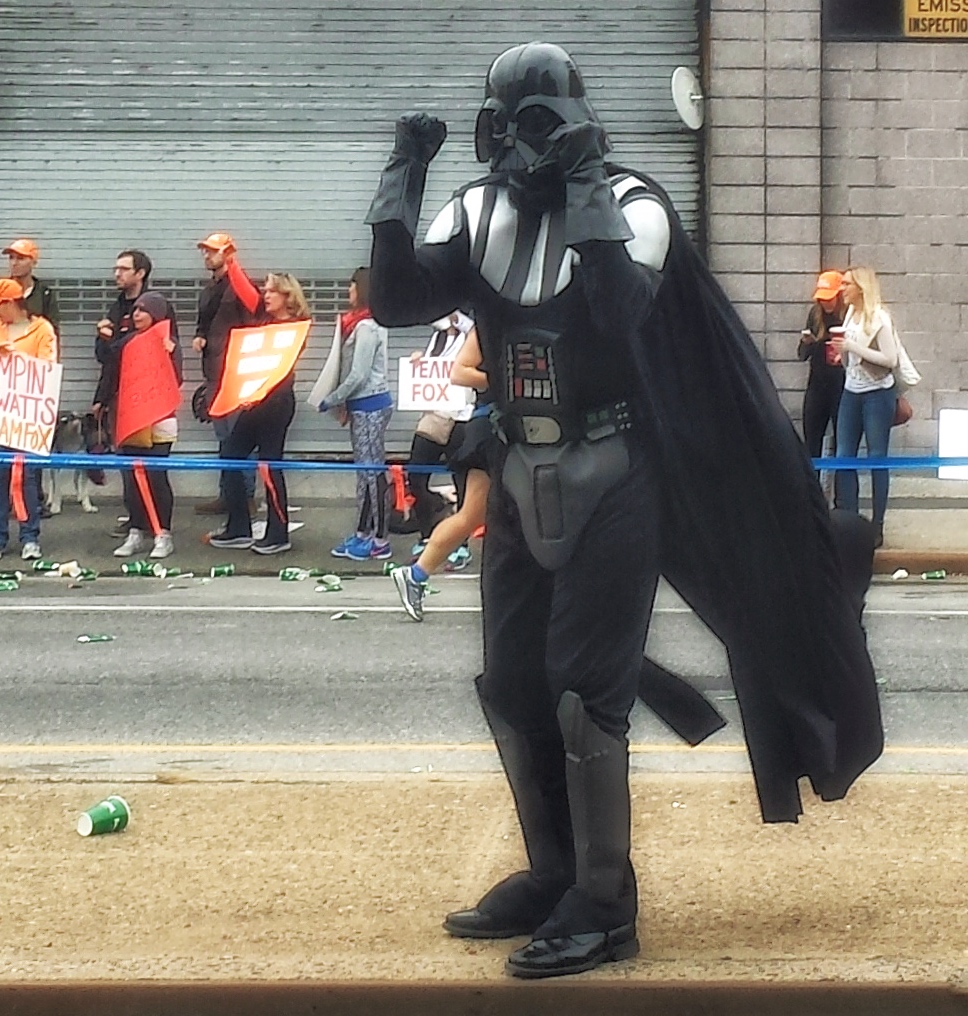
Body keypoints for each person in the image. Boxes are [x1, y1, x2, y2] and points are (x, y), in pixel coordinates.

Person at [367, 43, 880, 979]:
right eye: (509, 119)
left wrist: (588, 176)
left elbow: (614, 310)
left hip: (616, 468)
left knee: (579, 691)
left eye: (540, 118)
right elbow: (397, 296)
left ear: (573, 116)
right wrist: (405, 172)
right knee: (511, 682)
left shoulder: (635, 205)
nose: (522, 143)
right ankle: (554, 872)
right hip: (521, 464)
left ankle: (604, 902)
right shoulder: (476, 210)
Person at [207, 272, 307, 556]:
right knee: (231, 456)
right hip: (255, 402)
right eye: (265, 290)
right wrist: (230, 264)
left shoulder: (294, 327)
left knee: (269, 466)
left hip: (276, 403)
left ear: (287, 296)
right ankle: (239, 527)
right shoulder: (264, 321)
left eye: (272, 291)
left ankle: (278, 534)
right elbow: (246, 294)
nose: (266, 294)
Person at [0, 277, 59, 561]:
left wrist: (19, 362)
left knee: (27, 476)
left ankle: (30, 537)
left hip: (28, 415)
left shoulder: (42, 329)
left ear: (12, 303)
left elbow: (48, 371)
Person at [318, 267, 393, 561]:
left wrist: (333, 398)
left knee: (373, 473)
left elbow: (359, 374)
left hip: (371, 404)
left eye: (351, 288)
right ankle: (364, 531)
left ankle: (381, 538)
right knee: (364, 472)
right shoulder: (359, 324)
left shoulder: (367, 327)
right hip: (362, 406)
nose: (348, 294)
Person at [103, 290, 183, 559]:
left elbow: (176, 378)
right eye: (135, 310)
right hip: (133, 419)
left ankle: (163, 534)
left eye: (143, 310)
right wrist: (103, 339)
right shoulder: (128, 341)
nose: (136, 315)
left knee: (156, 477)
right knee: (132, 479)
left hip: (159, 420)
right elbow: (109, 360)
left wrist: (168, 355)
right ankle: (136, 531)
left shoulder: (168, 342)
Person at [191, 232, 263, 515]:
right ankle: (228, 495)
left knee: (238, 437)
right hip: (214, 373)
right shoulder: (210, 289)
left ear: (228, 254)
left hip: (235, 374)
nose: (207, 256)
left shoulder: (241, 287)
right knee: (224, 437)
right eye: (205, 252)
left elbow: (255, 318)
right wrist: (199, 336)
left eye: (212, 251)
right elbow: (205, 322)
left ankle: (244, 497)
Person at [832, 267, 901, 547]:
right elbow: (851, 350)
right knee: (843, 456)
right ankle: (848, 521)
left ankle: (878, 526)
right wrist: (842, 355)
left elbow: (890, 359)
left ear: (860, 288)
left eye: (846, 284)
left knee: (876, 458)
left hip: (877, 395)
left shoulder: (879, 318)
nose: (842, 289)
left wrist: (853, 347)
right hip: (852, 390)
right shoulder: (849, 314)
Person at [391, 311, 474, 542]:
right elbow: (429, 370)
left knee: (462, 479)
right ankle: (428, 532)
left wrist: (461, 321)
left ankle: (460, 542)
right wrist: (419, 361)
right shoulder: (437, 339)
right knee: (416, 476)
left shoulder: (472, 337)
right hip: (434, 415)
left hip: (461, 417)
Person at [797, 271, 847, 463]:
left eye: (830, 298)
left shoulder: (847, 317)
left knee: (842, 445)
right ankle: (813, 490)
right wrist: (807, 342)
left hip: (841, 385)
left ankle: (839, 491)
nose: (826, 303)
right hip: (817, 385)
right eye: (823, 299)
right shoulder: (815, 314)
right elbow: (801, 355)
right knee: (811, 442)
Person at [0, 238, 60, 337]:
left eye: (20, 258)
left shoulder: (45, 294)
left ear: (33, 262)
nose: (14, 263)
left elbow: (53, 332)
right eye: (11, 257)